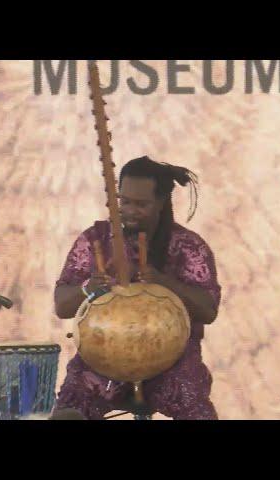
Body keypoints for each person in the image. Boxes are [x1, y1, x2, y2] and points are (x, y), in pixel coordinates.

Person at [53, 156, 221, 420]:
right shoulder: (95, 239)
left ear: (161, 203)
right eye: (125, 201)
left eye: (141, 204)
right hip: (101, 364)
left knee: (195, 408)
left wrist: (163, 283)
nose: (130, 210)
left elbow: (209, 311)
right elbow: (61, 305)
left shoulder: (189, 246)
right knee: (69, 412)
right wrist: (88, 287)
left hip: (172, 363)